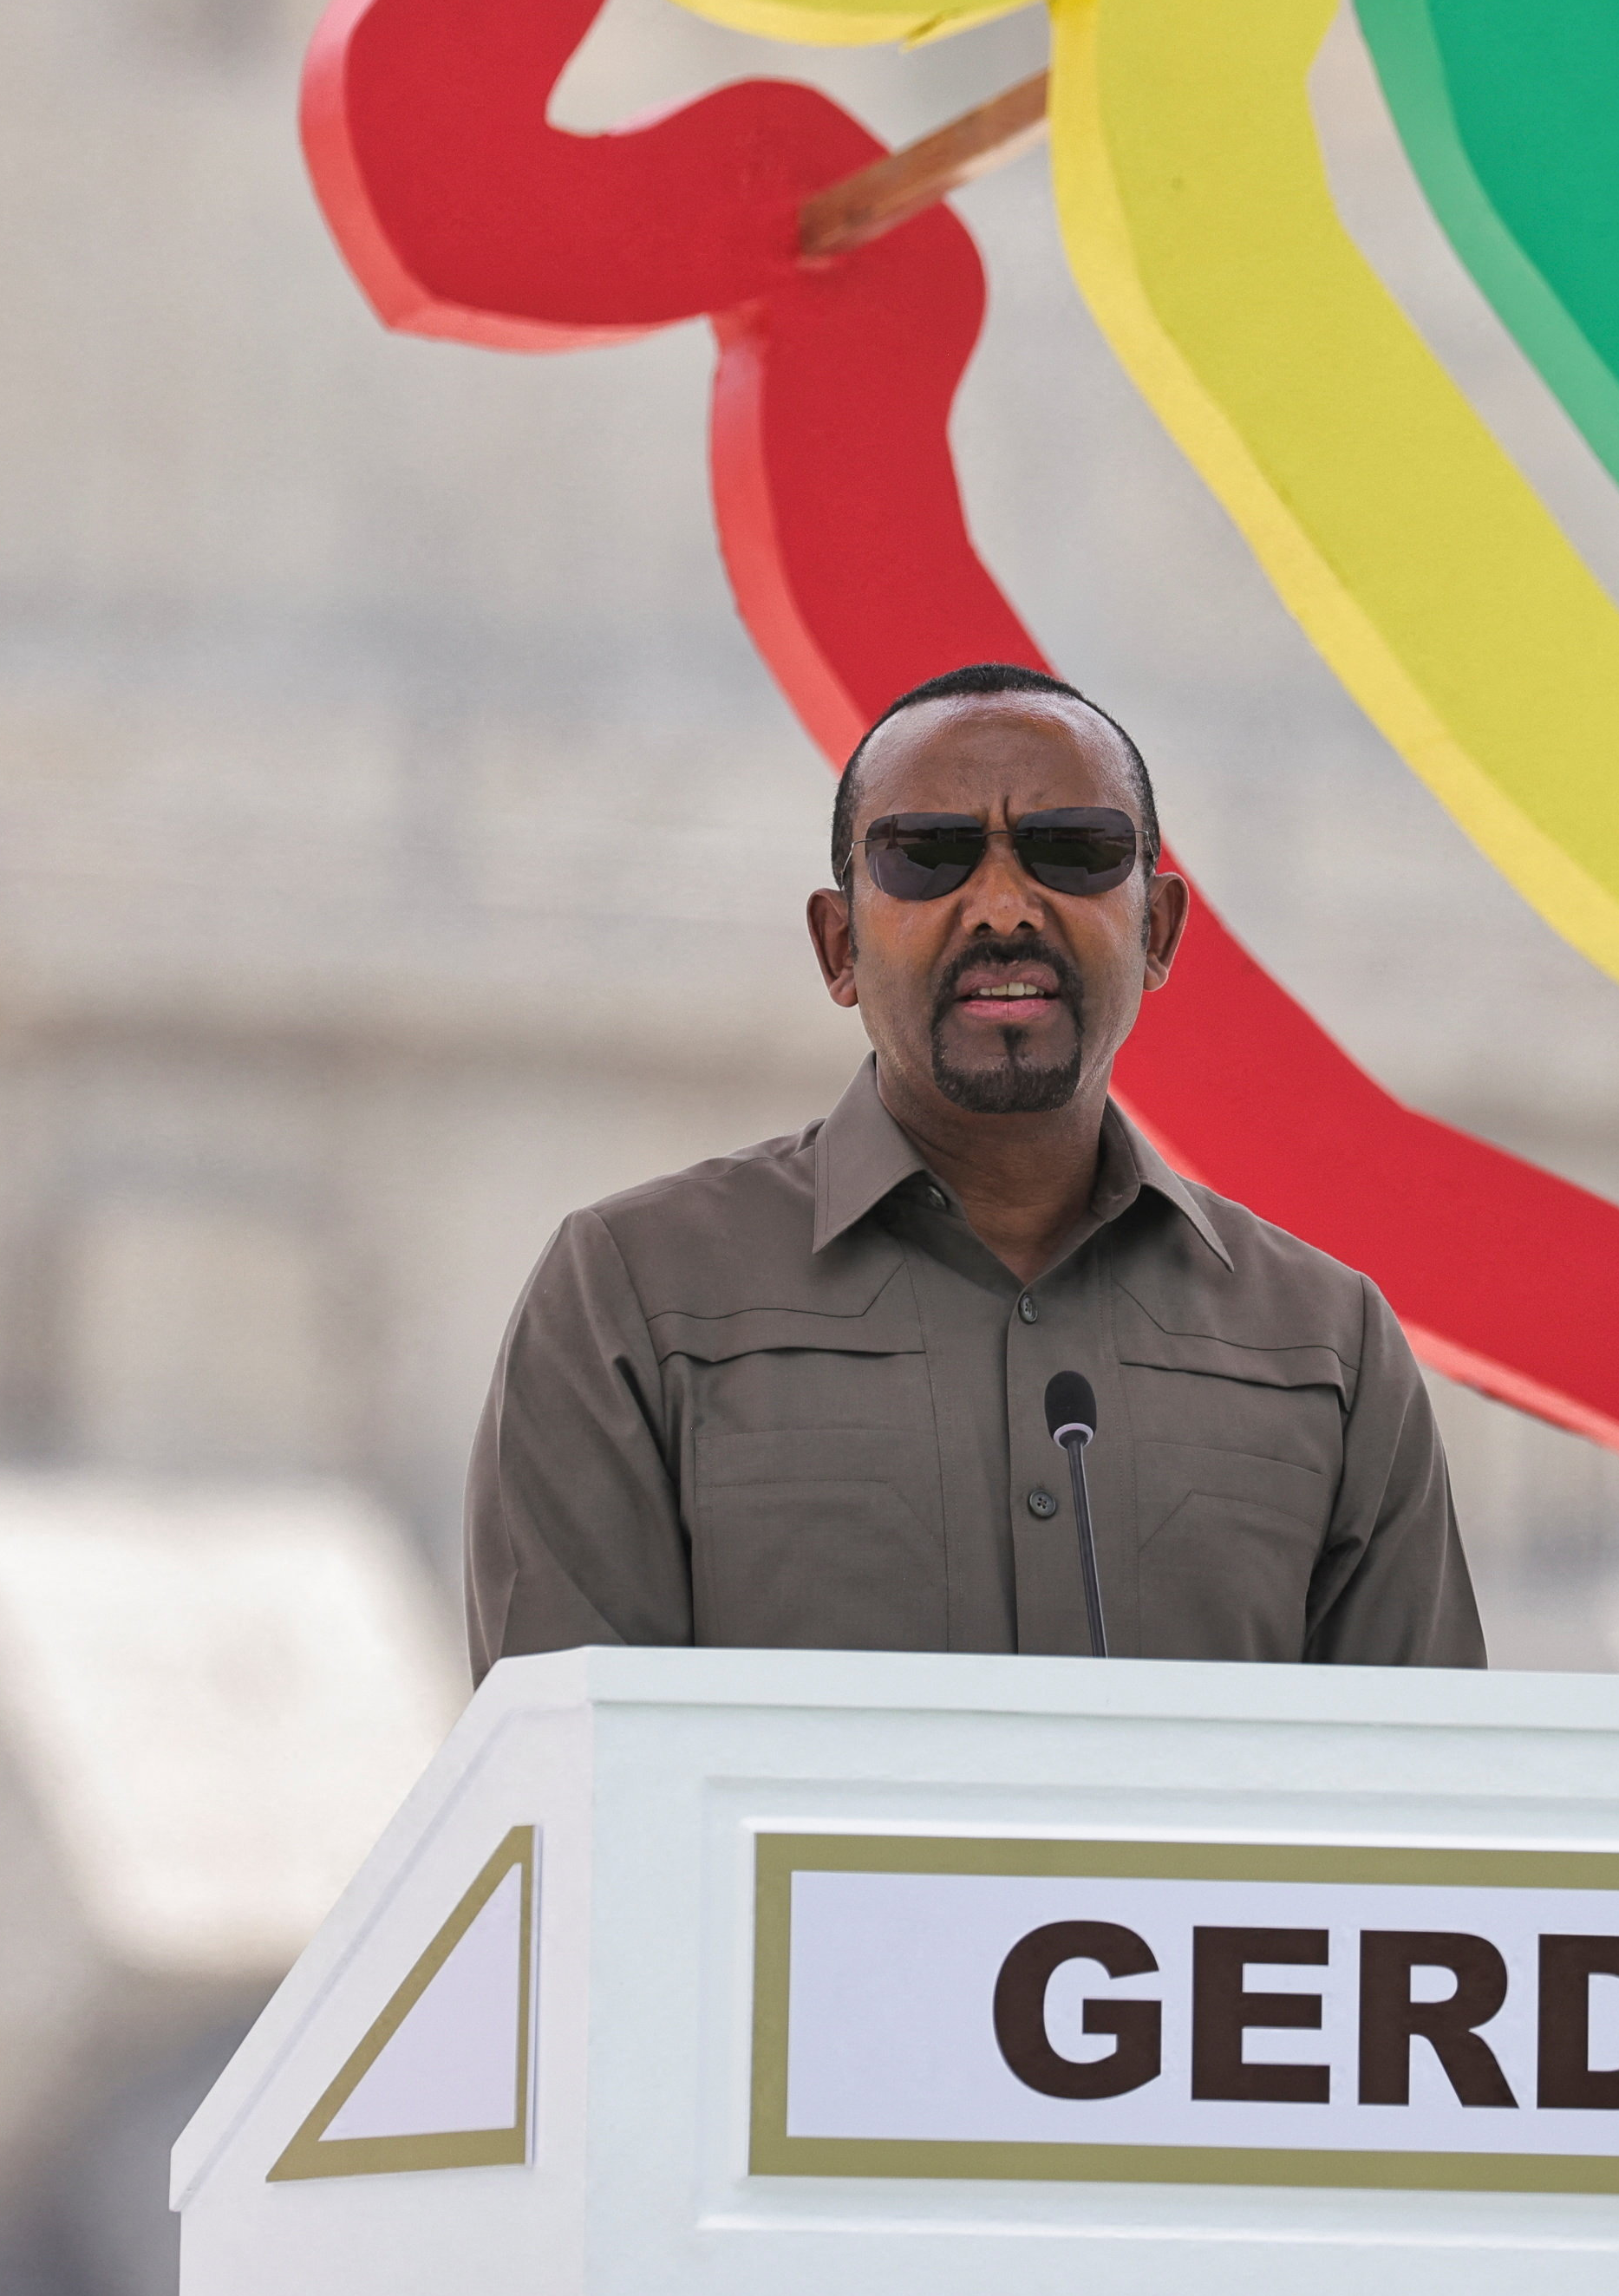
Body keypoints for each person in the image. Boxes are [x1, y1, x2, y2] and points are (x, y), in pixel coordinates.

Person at [462, 662, 1483, 1671]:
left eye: (1073, 850)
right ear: (838, 946)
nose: (1002, 907)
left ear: (1160, 931)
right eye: (927, 855)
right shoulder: (635, 1296)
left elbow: (1422, 1768)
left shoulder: (1326, 1345)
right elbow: (570, 1753)